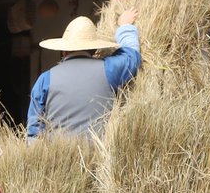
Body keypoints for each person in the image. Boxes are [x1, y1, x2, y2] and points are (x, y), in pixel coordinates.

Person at [27, 9, 141, 138]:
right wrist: (125, 25)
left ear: (63, 51)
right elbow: (132, 57)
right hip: (100, 155)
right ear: (95, 50)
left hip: (58, 157)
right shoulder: (108, 69)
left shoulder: (45, 79)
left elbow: (34, 130)